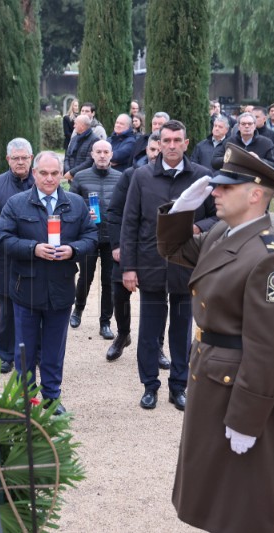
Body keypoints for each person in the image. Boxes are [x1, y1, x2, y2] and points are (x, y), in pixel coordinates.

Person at [158, 144, 274, 533]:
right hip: (209, 369)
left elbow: (269, 350)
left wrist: (247, 418)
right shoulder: (224, 231)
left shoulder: (270, 259)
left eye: (225, 187)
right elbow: (175, 249)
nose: (214, 193)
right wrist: (180, 211)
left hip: (235, 385)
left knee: (241, 496)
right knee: (213, 489)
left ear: (255, 194)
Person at [121, 120, 217, 411]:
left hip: (186, 265)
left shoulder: (202, 177)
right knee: (149, 330)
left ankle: (179, 386)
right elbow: (130, 223)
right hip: (150, 262)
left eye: (178, 140)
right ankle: (150, 385)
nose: (172, 145)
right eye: (167, 140)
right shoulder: (142, 177)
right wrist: (128, 267)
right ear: (159, 143)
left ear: (186, 143)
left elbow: (218, 217)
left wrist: (198, 228)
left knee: (181, 328)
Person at [0, 151, 98, 414]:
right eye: (44, 173)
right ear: (34, 173)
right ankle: (26, 398)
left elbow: (92, 236)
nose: (49, 179)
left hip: (61, 287)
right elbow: (2, 238)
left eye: (54, 173)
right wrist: (33, 248)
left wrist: (73, 250)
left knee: (54, 348)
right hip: (26, 288)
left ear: (61, 174)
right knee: (24, 349)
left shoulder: (75, 203)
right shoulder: (17, 204)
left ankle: (51, 396)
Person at [106, 133, 164, 363]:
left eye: (159, 150)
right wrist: (117, 245)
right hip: (129, 246)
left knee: (158, 300)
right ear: (146, 151)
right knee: (119, 293)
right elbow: (114, 212)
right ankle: (122, 335)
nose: (155, 154)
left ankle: (157, 345)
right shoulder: (130, 175)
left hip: (157, 250)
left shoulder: (172, 180)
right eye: (152, 150)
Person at [0, 138, 35, 374]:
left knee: (35, 308)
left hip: (37, 257)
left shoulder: (42, 181)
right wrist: (16, 242)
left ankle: (32, 352)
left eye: (24, 157)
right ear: (8, 160)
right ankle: (6, 355)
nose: (21, 162)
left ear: (31, 159)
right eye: (16, 158)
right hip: (7, 257)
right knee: (7, 311)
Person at [69, 140, 121, 339]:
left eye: (105, 152)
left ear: (111, 154)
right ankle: (78, 309)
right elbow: (71, 205)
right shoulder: (81, 177)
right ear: (92, 154)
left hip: (112, 237)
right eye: (98, 152)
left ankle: (105, 322)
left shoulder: (120, 177)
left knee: (109, 281)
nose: (102, 155)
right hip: (88, 235)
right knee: (85, 277)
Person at [62, 115, 98, 180]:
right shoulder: (74, 139)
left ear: (82, 126)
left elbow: (89, 161)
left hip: (84, 178)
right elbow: (67, 156)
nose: (74, 126)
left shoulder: (94, 140)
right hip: (70, 178)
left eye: (75, 124)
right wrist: (68, 171)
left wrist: (72, 173)